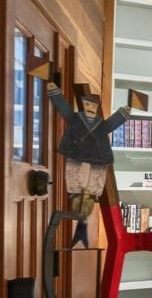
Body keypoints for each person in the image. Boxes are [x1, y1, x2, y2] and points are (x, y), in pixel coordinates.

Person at [37, 69, 133, 247]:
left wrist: (124, 112)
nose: (90, 110)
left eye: (92, 107)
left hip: (97, 160)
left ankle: (82, 226)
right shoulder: (76, 119)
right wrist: (54, 92)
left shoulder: (100, 125)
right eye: (87, 106)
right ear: (84, 106)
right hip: (77, 157)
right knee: (76, 186)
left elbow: (112, 123)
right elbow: (64, 108)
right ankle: (80, 225)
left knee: (92, 190)